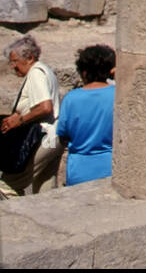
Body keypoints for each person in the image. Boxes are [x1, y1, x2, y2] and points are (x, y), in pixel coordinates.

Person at [0, 34, 62, 196]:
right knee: (45, 187)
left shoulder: (36, 73)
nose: (13, 66)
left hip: (43, 137)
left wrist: (20, 120)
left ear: (29, 58)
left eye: (15, 61)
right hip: (55, 137)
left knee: (7, 185)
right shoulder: (44, 71)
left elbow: (45, 107)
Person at [56, 44, 115, 185]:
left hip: (79, 170)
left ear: (83, 72)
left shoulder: (71, 99)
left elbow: (63, 134)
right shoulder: (118, 95)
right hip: (111, 167)